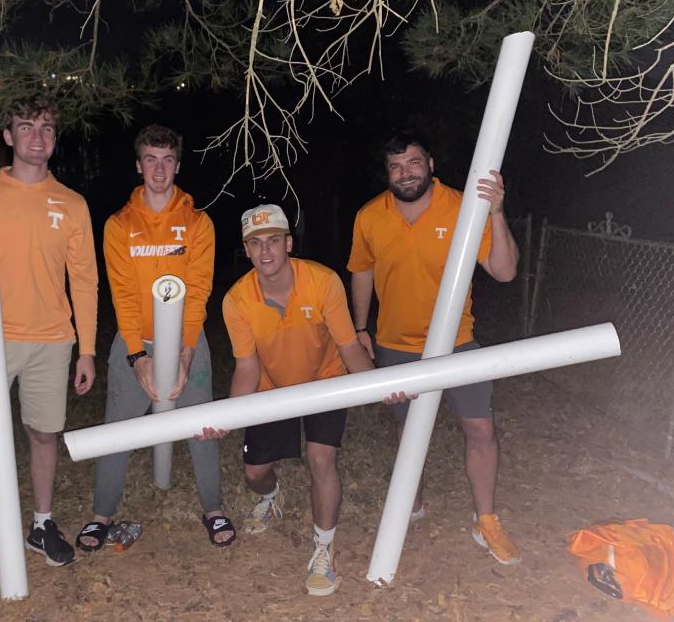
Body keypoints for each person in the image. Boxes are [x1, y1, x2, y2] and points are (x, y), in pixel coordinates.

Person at [198, 204, 403, 596]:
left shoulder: (324, 282)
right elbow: (246, 370)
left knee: (320, 458)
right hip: (273, 389)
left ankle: (323, 549)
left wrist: (380, 387)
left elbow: (349, 349)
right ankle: (271, 497)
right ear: (246, 250)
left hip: (324, 381)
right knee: (255, 473)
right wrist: (224, 417)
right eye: (255, 244)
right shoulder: (236, 300)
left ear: (288, 243)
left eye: (273, 240)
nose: (266, 251)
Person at [0, 95, 97, 588]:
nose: (37, 137)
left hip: (52, 341)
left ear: (54, 138)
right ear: (7, 137)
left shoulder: (71, 203)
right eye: (25, 127)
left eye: (46, 128)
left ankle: (41, 524)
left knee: (44, 435)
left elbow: (85, 279)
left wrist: (86, 348)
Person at [347, 132, 521, 565]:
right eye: (396, 166)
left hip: (458, 342)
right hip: (395, 345)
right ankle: (413, 502)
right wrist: (360, 327)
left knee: (480, 430)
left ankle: (487, 520)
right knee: (410, 434)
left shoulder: (464, 206)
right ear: (387, 173)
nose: (406, 173)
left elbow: (504, 271)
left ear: (430, 163)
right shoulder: (370, 216)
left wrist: (495, 212)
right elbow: (362, 272)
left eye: (413, 163)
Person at [76, 124, 235, 552]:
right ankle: (101, 515)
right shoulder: (118, 225)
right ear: (139, 165)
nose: (159, 168)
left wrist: (184, 354)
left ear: (177, 165)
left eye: (167, 160)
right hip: (134, 340)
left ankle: (213, 508)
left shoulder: (198, 223)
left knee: (201, 426)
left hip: (188, 340)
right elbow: (123, 295)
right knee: (118, 430)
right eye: (151, 159)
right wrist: (135, 356)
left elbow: (198, 291)